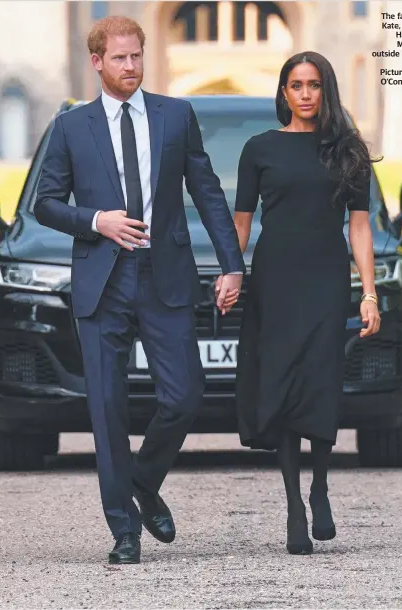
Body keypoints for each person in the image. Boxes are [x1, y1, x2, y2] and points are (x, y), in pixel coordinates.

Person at [33, 16, 245, 564]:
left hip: (164, 274)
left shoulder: (176, 115)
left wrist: (232, 264)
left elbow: (208, 192)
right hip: (102, 281)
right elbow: (45, 202)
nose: (130, 66)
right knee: (107, 409)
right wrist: (96, 220)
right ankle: (124, 531)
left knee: (184, 395)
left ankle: (143, 481)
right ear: (97, 62)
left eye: (137, 56)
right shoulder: (71, 127)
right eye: (120, 58)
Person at [232, 51, 380, 555]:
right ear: (283, 92)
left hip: (326, 278)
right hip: (275, 280)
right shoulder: (259, 149)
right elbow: (242, 223)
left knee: (319, 379)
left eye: (313, 85)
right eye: (295, 85)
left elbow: (359, 227)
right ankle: (294, 504)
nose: (304, 94)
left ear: (325, 90)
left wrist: (369, 293)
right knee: (283, 383)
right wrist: (232, 272)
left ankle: (320, 487)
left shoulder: (348, 151)